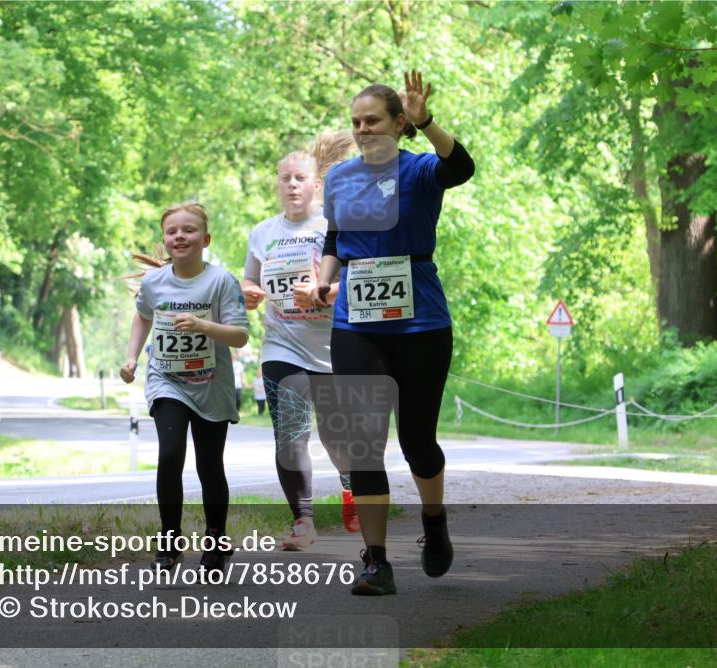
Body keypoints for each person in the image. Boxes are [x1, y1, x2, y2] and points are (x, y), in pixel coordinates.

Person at [309, 70, 475, 594]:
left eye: (373, 121)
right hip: (356, 320)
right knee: (363, 442)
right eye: (355, 123)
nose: (362, 130)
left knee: (418, 443)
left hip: (421, 320)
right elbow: (336, 235)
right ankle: (376, 561)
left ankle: (433, 521)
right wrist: (325, 277)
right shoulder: (338, 178)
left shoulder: (421, 169)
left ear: (398, 122)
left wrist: (428, 123)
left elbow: (461, 166)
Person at [243, 132, 360, 551]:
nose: (291, 185)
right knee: (291, 434)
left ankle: (351, 490)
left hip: (332, 345)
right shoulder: (261, 232)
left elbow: (355, 277)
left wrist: (323, 289)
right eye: (284, 178)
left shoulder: (332, 226)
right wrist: (250, 293)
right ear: (278, 184)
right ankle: (303, 522)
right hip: (283, 344)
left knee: (335, 438)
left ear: (316, 184)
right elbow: (250, 279)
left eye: (299, 178)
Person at [120, 202, 249, 573]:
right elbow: (143, 317)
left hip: (211, 384)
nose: (180, 236)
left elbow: (240, 335)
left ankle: (215, 542)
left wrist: (203, 326)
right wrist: (131, 358)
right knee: (171, 453)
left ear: (205, 239)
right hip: (167, 380)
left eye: (189, 230)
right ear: (165, 239)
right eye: (172, 231)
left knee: (210, 466)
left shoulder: (221, 281)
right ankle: (170, 542)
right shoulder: (154, 282)